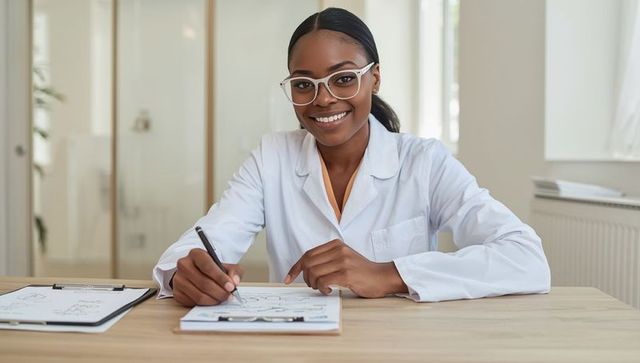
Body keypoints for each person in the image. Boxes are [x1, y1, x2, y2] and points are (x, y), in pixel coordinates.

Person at [153, 7, 550, 307]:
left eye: (343, 78)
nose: (323, 99)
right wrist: (184, 273)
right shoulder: (272, 157)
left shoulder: (423, 162)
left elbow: (526, 258)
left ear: (373, 79)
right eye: (304, 84)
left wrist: (390, 274)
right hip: (298, 346)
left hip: (401, 349)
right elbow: (202, 244)